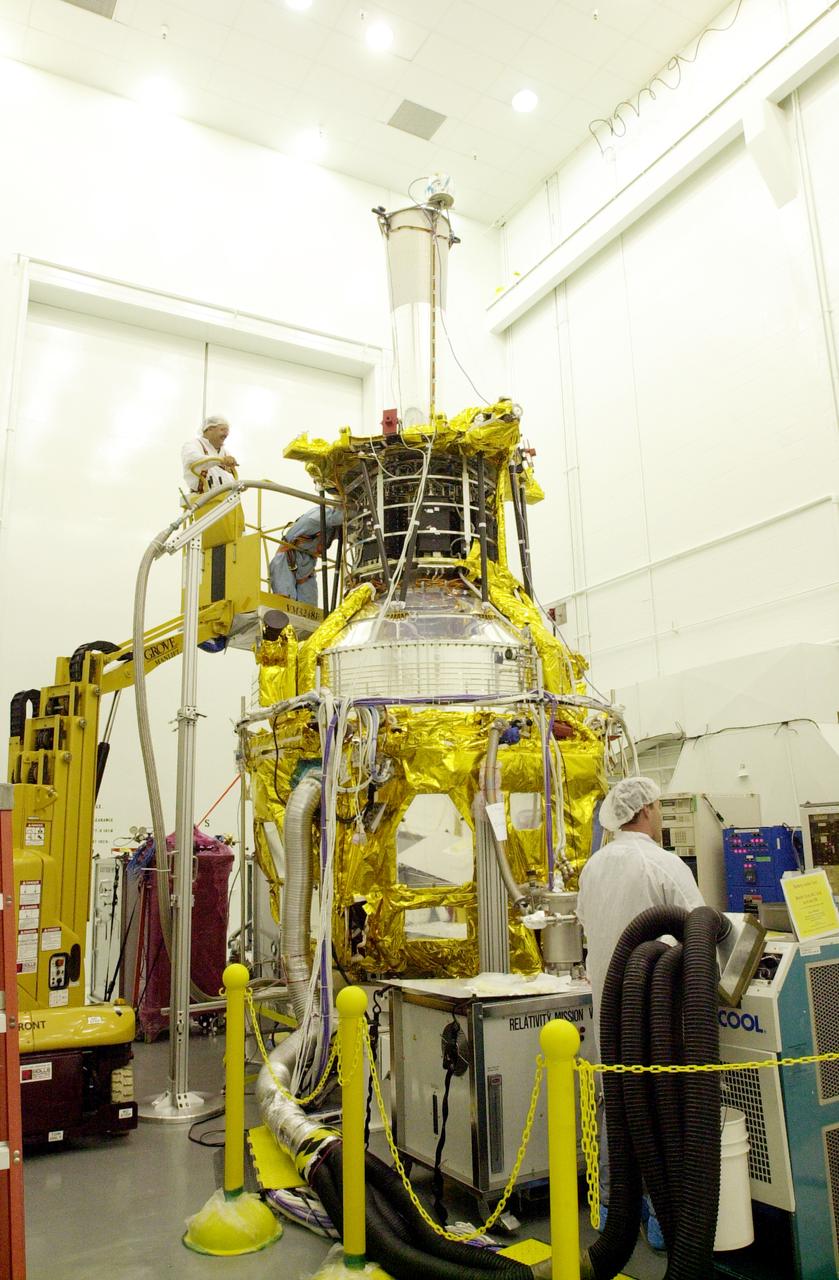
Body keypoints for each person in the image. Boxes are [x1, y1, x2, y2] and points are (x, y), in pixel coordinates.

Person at [576, 776, 704, 1252]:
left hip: (608, 1008)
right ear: (647, 810)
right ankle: (659, 1212)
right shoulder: (664, 864)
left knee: (616, 1099)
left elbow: (587, 925)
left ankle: (613, 1207)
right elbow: (702, 931)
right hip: (656, 1007)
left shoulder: (594, 866)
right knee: (661, 1105)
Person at [181, 415, 238, 493]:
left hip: (226, 500)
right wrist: (220, 461)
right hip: (204, 500)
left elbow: (230, 476)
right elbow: (192, 460)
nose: (226, 434)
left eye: (227, 431)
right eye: (222, 430)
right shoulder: (194, 444)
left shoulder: (225, 452)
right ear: (209, 429)